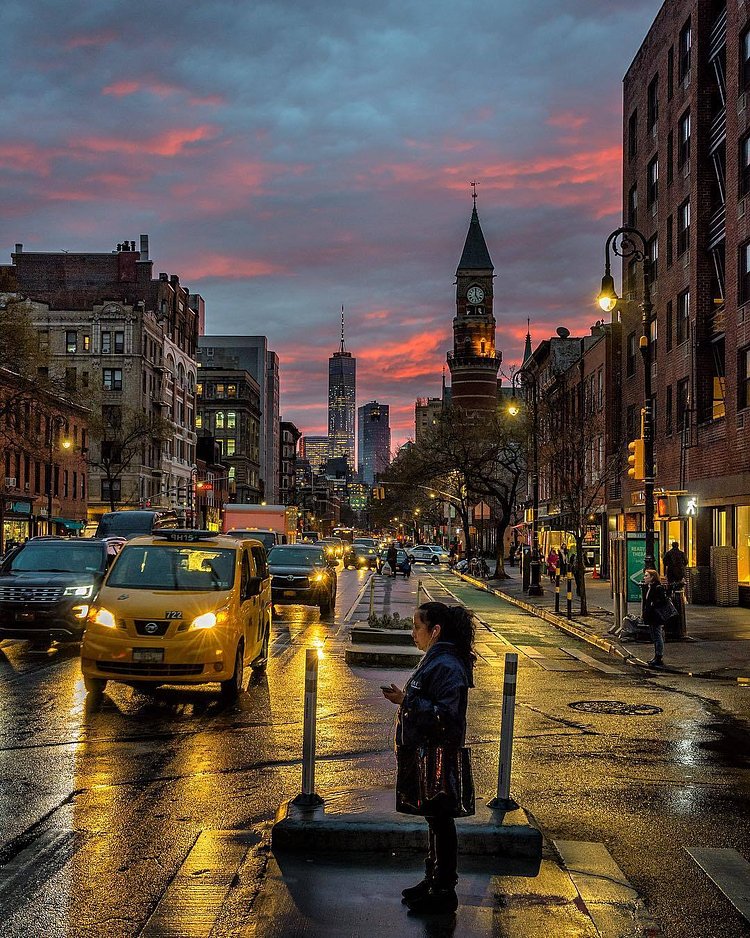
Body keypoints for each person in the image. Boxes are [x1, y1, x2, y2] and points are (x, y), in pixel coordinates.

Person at [382, 602, 476, 916]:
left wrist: (408, 699)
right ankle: (433, 880)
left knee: (440, 820)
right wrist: (406, 699)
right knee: (434, 820)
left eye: (417, 627)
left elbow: (446, 715)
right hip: (426, 753)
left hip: (437, 755)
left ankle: (444, 889)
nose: (413, 634)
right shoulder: (438, 660)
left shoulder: (447, 664)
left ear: (435, 631)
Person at [642, 568, 668, 668]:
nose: (644, 578)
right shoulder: (649, 587)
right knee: (654, 636)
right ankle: (656, 656)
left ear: (652, 577)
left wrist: (653, 604)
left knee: (657, 636)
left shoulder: (657, 587)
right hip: (651, 615)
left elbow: (663, 601)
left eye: (646, 576)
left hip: (656, 616)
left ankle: (658, 657)